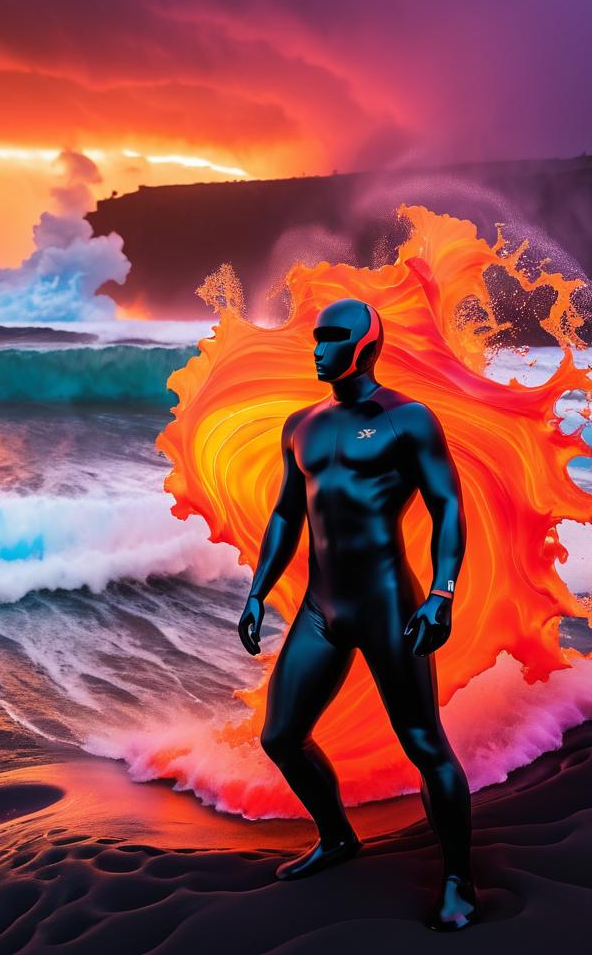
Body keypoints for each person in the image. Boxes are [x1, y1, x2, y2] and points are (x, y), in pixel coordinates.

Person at [237, 297, 479, 931]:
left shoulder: (408, 420)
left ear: (365, 344)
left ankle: (459, 880)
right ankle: (339, 837)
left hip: (388, 607)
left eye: (332, 337)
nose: (317, 348)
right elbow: (288, 513)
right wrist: (258, 591)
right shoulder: (302, 424)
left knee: (425, 745)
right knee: (281, 737)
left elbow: (448, 506)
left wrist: (442, 593)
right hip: (323, 610)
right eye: (315, 337)